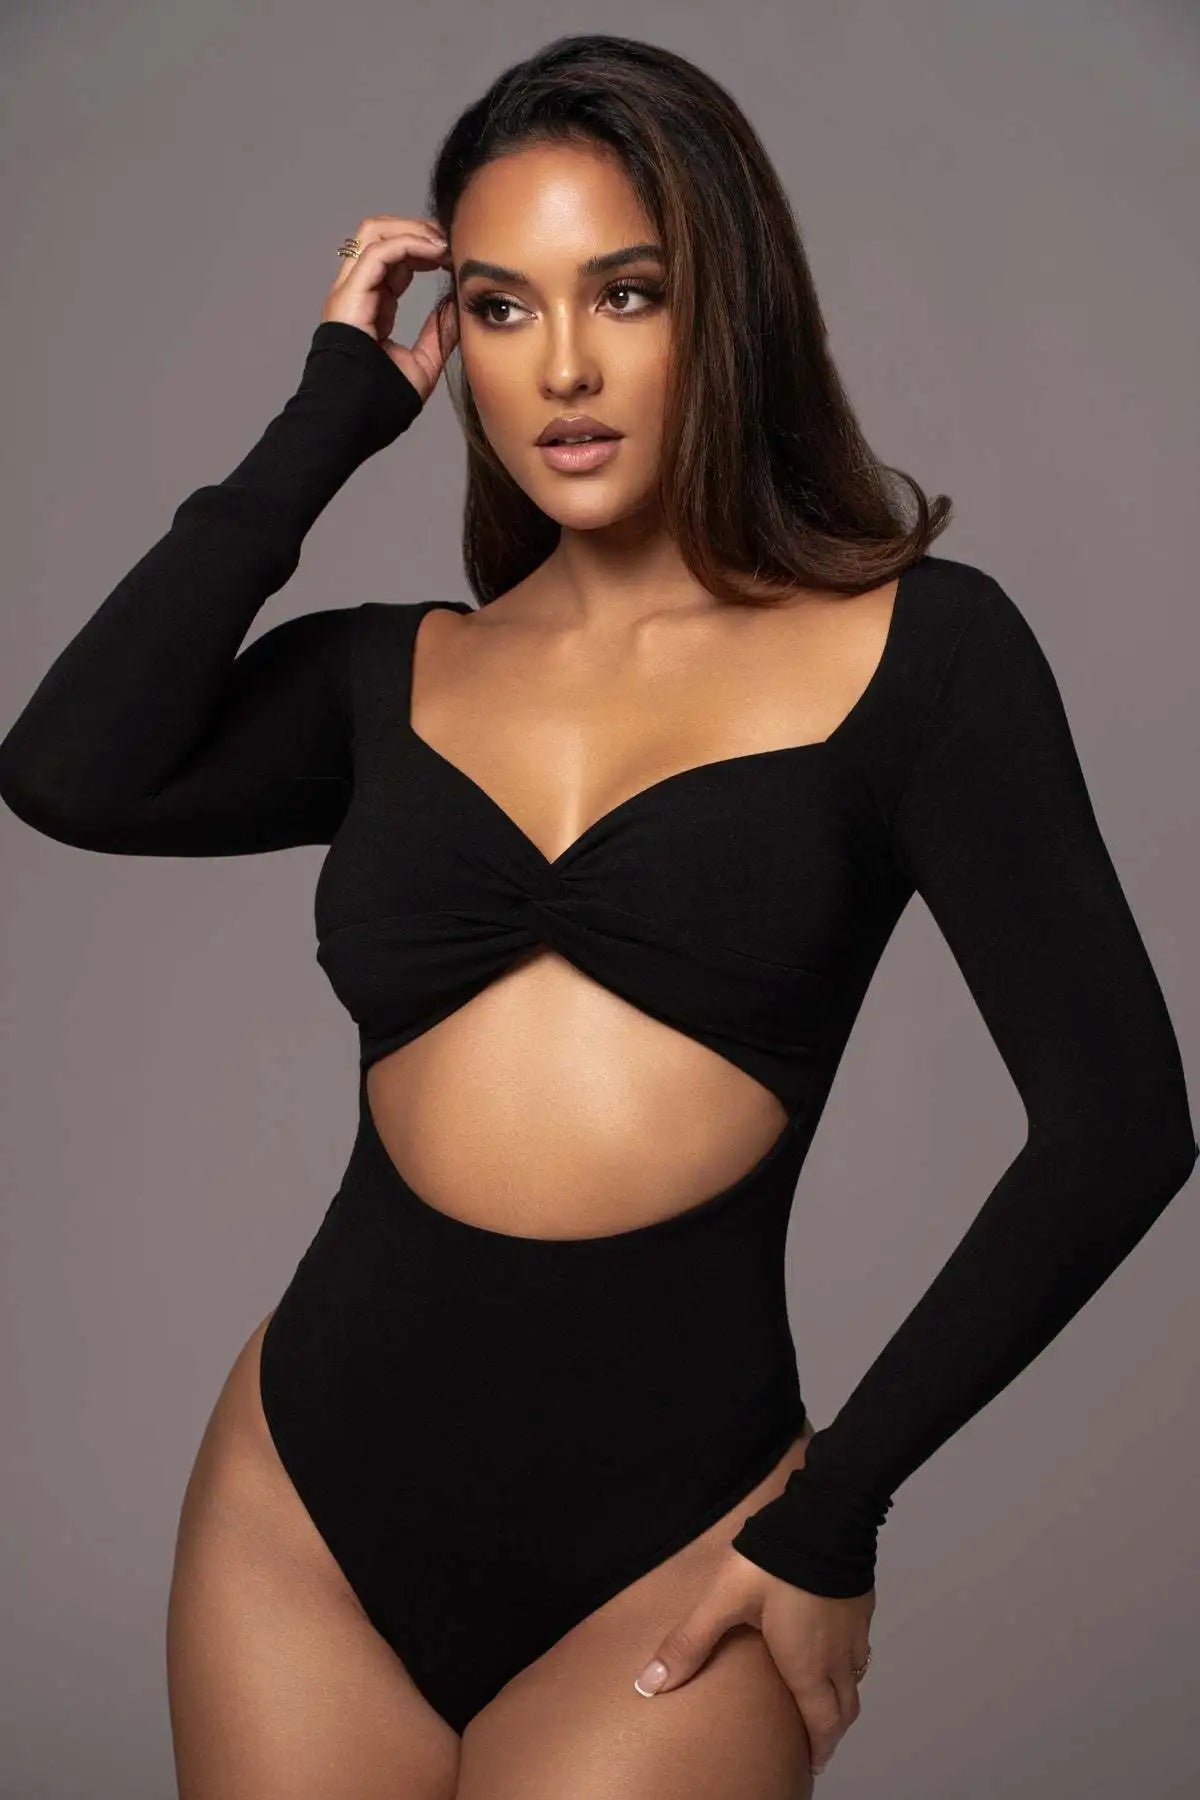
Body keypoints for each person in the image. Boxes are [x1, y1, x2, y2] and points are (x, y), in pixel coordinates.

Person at [1, 33, 1195, 1800]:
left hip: (680, 1544)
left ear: (730, 307)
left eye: (625, 293)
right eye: (500, 307)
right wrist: (327, 417)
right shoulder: (390, 677)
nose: (562, 365)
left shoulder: (926, 656)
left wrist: (835, 1513)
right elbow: (65, 770)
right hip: (302, 1516)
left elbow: (1121, 1128)